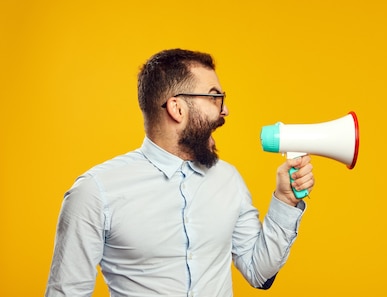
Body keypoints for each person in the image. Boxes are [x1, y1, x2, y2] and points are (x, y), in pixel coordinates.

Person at [45, 48, 314, 297]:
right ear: (177, 108)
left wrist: (285, 200)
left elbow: (259, 272)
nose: (225, 110)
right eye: (214, 97)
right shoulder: (94, 192)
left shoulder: (228, 180)